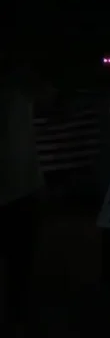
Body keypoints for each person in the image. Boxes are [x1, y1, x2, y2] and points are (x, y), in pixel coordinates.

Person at [0, 57, 49, 332]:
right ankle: (16, 313)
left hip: (23, 188)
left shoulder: (21, 86)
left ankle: (16, 313)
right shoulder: (21, 86)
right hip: (23, 189)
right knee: (20, 262)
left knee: (20, 262)